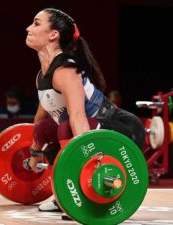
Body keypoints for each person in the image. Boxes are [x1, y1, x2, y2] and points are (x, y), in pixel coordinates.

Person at [25, 8, 145, 213]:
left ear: (54, 35)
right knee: (45, 129)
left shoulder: (65, 71)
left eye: (36, 23)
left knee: (65, 129)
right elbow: (40, 119)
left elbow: (78, 120)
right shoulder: (42, 76)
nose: (28, 28)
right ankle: (61, 192)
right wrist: (35, 155)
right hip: (88, 128)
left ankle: (74, 190)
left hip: (124, 130)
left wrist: (90, 168)